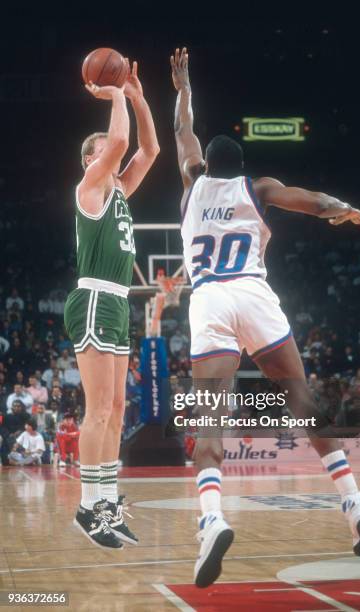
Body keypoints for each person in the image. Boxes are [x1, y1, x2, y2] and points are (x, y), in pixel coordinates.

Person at [170, 47, 360, 587]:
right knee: (300, 398)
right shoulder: (258, 189)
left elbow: (183, 130)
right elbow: (309, 200)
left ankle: (212, 519)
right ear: (243, 168)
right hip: (254, 296)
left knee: (209, 423)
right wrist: (342, 209)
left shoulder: (191, 185)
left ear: (203, 166)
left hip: (210, 300)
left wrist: (184, 85)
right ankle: (355, 506)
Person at [64, 59, 159, 548]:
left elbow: (149, 148)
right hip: (96, 297)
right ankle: (87, 506)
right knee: (98, 410)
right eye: (104, 152)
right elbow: (120, 143)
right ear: (91, 160)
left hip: (119, 303)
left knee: (119, 409)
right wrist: (115, 94)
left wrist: (139, 96)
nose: (114, 156)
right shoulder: (90, 189)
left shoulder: (119, 188)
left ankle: (107, 502)